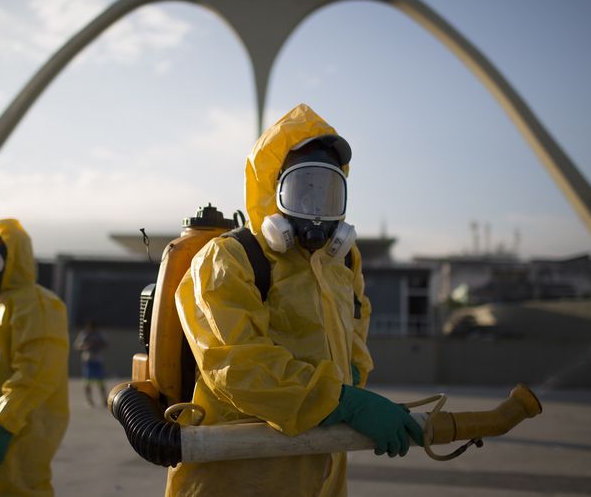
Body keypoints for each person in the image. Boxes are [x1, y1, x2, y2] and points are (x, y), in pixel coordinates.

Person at [168, 104, 422, 496]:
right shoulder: (230, 259)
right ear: (273, 191)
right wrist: (344, 403)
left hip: (323, 468)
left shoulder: (342, 264)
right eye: (303, 190)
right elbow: (236, 365)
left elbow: (355, 344)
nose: (316, 208)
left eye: (328, 192)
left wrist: (349, 389)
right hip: (238, 476)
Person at [0, 218, 70, 496]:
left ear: (12, 263)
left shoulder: (36, 305)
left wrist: (4, 424)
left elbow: (38, 373)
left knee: (16, 490)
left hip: (18, 433)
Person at [74, 319, 108, 407]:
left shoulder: (99, 334)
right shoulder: (84, 334)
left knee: (101, 382)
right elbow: (77, 345)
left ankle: (104, 399)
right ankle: (89, 400)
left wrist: (97, 344)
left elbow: (105, 344)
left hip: (97, 360)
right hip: (88, 360)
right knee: (87, 382)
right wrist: (85, 346)